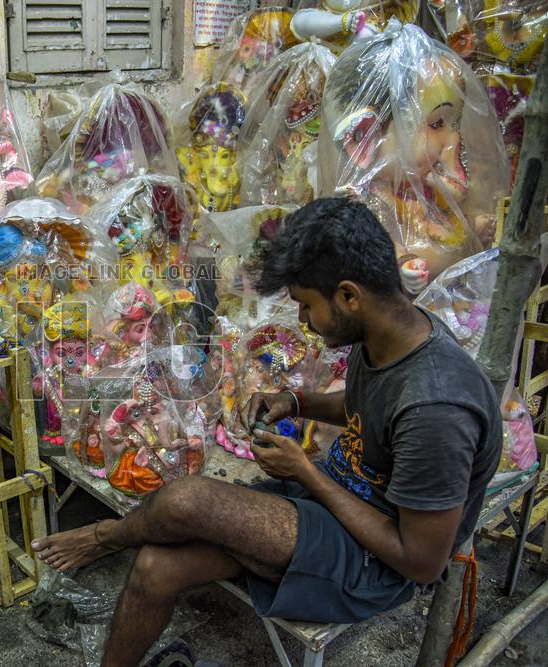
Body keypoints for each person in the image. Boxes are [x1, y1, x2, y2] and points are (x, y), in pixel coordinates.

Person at [32, 197, 502, 666]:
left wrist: (305, 472)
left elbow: (420, 561)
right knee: (156, 566)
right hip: (332, 505)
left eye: (306, 306)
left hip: (372, 561)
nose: (302, 321)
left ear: (349, 296)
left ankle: (105, 536)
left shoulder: (437, 408)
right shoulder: (390, 335)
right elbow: (370, 410)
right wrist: (296, 401)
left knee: (185, 500)